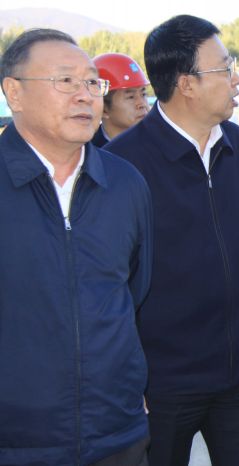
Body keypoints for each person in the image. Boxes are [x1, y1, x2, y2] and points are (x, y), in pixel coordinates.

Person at [104, 15, 239, 466]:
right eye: (225, 68)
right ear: (186, 84)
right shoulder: (122, 164)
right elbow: (110, 281)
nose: (236, 79)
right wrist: (127, 374)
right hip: (163, 383)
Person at [0, 29, 152, 465]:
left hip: (117, 434)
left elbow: (135, 288)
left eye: (91, 82)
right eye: (65, 81)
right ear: (14, 92)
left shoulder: (125, 183)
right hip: (16, 441)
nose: (85, 95)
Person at [91, 52, 150, 147]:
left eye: (143, 94)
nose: (142, 104)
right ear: (104, 109)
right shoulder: (85, 151)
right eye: (131, 97)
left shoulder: (162, 142)